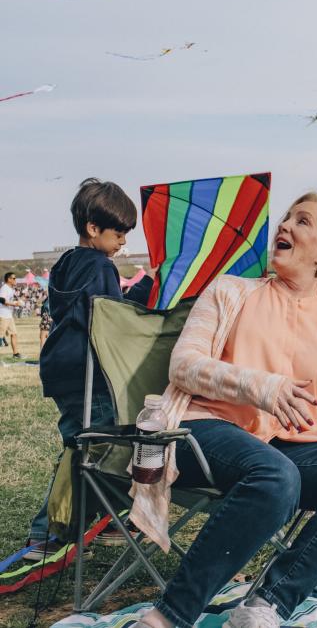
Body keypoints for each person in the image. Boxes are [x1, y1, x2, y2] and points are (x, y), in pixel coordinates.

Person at [131, 192, 317, 628]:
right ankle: (170, 615)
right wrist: (264, 387)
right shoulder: (230, 291)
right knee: (277, 474)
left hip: (286, 446)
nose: (285, 226)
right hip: (203, 430)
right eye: (286, 218)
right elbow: (184, 367)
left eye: (303, 221)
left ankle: (268, 604)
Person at [24, 178, 154, 560]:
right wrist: (146, 293)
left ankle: (82, 523)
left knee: (82, 447)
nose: (122, 244)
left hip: (62, 369)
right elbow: (113, 321)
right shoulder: (100, 266)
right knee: (103, 449)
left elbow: (86, 310)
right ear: (93, 229)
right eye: (118, 235)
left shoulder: (67, 263)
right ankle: (56, 530)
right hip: (90, 373)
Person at [0, 271, 22, 358]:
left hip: (9, 315)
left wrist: (16, 303)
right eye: (14, 278)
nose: (15, 280)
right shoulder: (4, 288)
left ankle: (15, 354)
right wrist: (14, 304)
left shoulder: (10, 289)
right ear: (9, 279)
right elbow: (1, 300)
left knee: (14, 334)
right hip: (3, 315)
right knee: (0, 337)